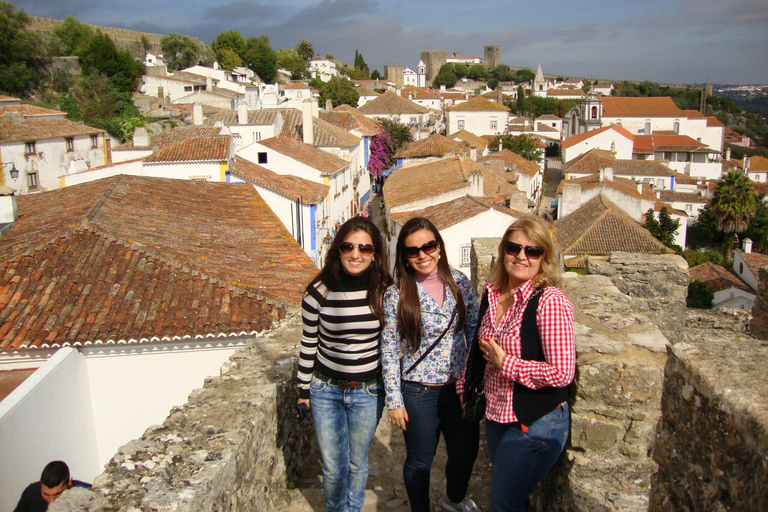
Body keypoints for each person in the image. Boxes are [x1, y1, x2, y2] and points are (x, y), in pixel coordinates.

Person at [382, 217, 481, 512]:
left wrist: (472, 379)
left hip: (459, 390)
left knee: (464, 456)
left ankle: (453, 499)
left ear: (439, 247)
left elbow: (474, 330)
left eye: (428, 246)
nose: (423, 254)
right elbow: (388, 348)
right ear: (405, 256)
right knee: (419, 461)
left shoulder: (460, 283)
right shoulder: (397, 294)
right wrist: (394, 400)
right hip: (418, 392)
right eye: (414, 251)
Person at [476, 217, 576, 512]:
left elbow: (562, 372)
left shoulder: (549, 302)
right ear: (503, 251)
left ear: (544, 258)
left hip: (535, 421)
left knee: (503, 503)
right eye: (513, 247)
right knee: (509, 499)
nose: (521, 256)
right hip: (498, 414)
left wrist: (506, 363)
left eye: (532, 251)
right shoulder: (493, 291)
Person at [295, 216, 392, 512]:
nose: (356, 253)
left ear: (374, 253)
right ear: (338, 249)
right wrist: (302, 390)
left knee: (357, 463)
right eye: (348, 246)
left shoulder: (385, 291)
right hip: (326, 391)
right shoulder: (318, 293)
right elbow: (309, 342)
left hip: (369, 391)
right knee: (334, 468)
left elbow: (392, 344)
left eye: (364, 247)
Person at [14, 461, 91, 512]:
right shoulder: (31, 493)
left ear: (69, 483)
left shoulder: (89, 495)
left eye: (57, 494)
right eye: (45, 494)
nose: (51, 501)